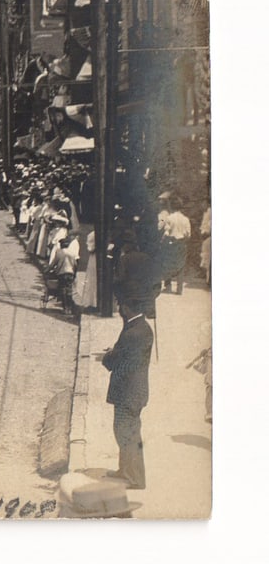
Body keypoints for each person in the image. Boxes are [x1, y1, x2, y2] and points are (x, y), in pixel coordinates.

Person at [102, 302, 154, 490]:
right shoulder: (139, 327)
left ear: (130, 307)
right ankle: (125, 470)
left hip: (129, 392)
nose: (120, 308)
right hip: (132, 391)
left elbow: (117, 359)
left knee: (129, 434)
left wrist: (107, 357)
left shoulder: (134, 333)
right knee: (122, 431)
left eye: (122, 305)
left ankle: (136, 478)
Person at [158, 196, 191, 294]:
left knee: (168, 263)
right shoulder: (186, 219)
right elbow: (188, 234)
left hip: (171, 242)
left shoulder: (169, 218)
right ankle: (179, 288)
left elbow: (166, 232)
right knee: (181, 264)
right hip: (181, 243)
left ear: (171, 207)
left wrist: (162, 240)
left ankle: (167, 286)